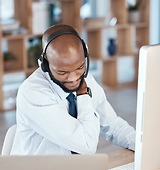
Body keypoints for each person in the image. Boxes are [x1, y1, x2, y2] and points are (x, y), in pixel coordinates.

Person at [10, 24, 135, 155]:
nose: (73, 78)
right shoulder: (33, 93)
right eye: (63, 72)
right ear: (45, 65)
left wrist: (142, 146)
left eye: (80, 67)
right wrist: (83, 95)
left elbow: (113, 126)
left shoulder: (87, 79)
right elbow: (86, 145)